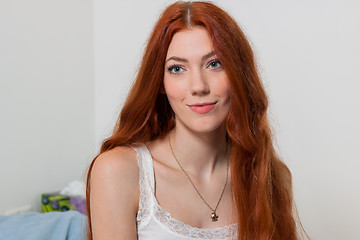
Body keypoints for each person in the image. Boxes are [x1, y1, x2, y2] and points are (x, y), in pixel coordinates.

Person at [86, 1, 305, 239]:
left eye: (214, 64)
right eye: (177, 69)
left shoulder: (270, 175)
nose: (198, 86)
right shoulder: (118, 172)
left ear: (238, 75)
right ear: (160, 83)